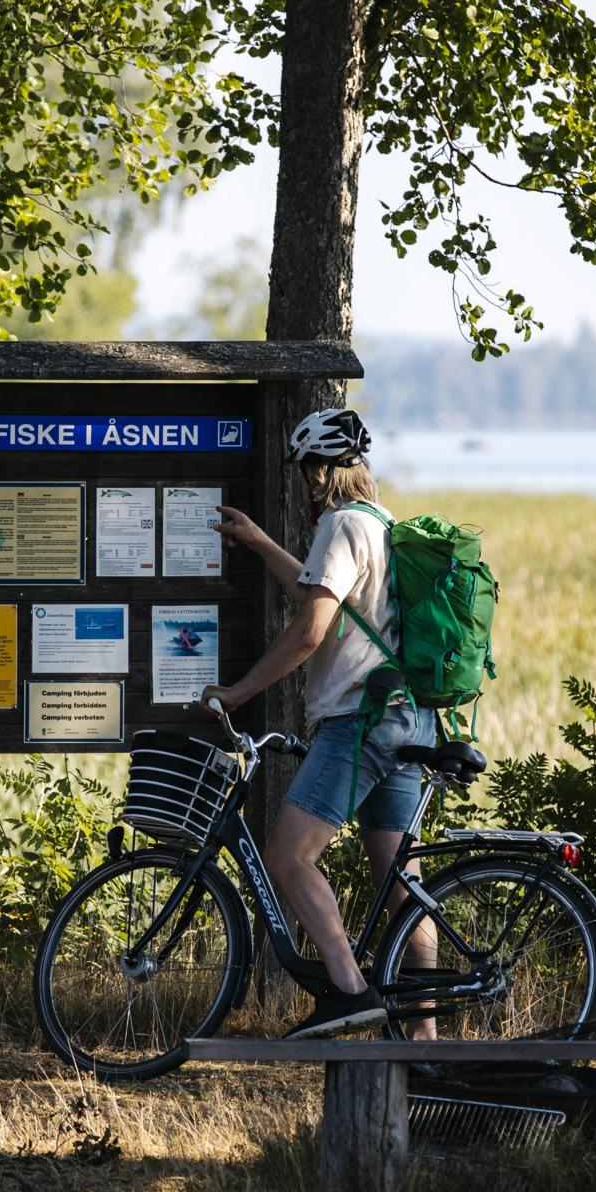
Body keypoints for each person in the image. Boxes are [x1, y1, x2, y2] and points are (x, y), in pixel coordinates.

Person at [198, 407, 437, 1039]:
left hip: (360, 721)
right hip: (407, 718)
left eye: (308, 471)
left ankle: (348, 991)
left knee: (287, 855)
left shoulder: (339, 523)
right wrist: (259, 543)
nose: (306, 483)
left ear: (319, 471)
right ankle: (426, 1043)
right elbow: (318, 592)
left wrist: (239, 690)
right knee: (399, 883)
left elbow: (309, 630)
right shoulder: (380, 525)